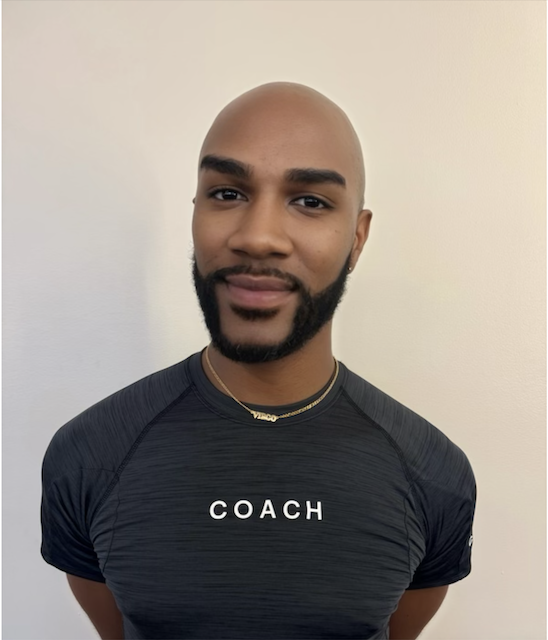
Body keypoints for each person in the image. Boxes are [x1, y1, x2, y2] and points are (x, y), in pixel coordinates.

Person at [40, 81, 476, 640]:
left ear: (357, 237)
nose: (259, 237)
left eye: (310, 201)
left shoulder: (434, 474)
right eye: (227, 193)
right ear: (195, 213)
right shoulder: (88, 456)